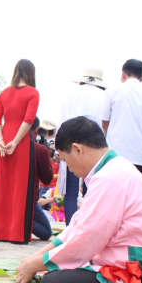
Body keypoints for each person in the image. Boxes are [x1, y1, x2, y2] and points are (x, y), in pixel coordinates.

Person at [14, 116, 142, 283]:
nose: (70, 169)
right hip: (128, 272)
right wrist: (34, 259)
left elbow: (85, 241)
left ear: (78, 149)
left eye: (65, 160)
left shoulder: (112, 177)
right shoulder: (111, 171)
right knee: (55, 272)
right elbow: (76, 227)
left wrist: (37, 264)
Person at [0, 59, 40, 244]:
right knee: (20, 188)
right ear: (31, 73)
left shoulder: (4, 93)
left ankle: (1, 232)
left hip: (4, 142)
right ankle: (17, 235)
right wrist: (14, 142)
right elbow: (28, 120)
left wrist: (1, 141)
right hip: (20, 143)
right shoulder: (33, 93)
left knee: (4, 187)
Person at [59, 67, 107, 225]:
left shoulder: (73, 93)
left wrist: (61, 148)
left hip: (72, 145)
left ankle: (69, 232)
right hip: (95, 148)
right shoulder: (105, 95)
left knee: (71, 192)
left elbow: (63, 121)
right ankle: (87, 231)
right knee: (92, 191)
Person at [102, 59, 142, 177]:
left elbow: (104, 123)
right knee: (135, 194)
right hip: (140, 156)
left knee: (115, 193)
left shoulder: (112, 92)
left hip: (115, 154)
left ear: (123, 74)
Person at [32, 118, 54, 241]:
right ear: (36, 130)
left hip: (9, 201)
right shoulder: (40, 149)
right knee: (46, 233)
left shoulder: (7, 146)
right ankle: (20, 221)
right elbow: (46, 179)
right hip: (29, 202)